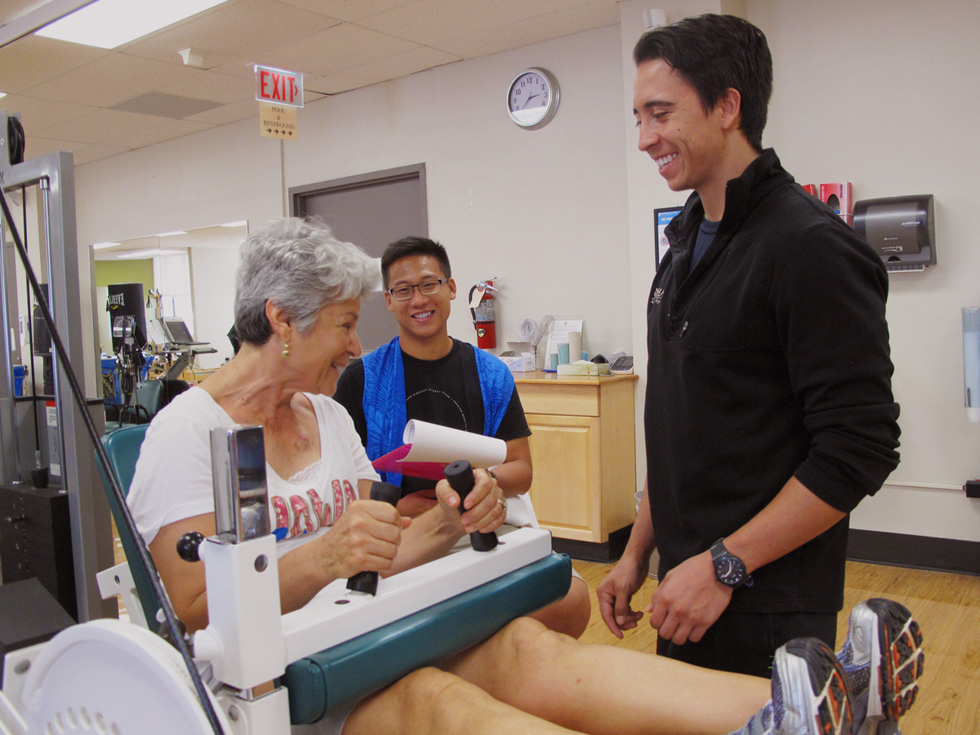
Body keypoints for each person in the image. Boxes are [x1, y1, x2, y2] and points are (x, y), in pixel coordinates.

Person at [126, 217, 921, 735]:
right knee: (443, 704)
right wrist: (323, 557)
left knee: (526, 649)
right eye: (342, 324)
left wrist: (445, 518)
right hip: (281, 692)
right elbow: (190, 609)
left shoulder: (327, 418)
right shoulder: (189, 431)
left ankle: (803, 708)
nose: (350, 344)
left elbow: (372, 552)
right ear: (280, 319)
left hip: (358, 636)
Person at [598, 13, 902, 680]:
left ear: (728, 105)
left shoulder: (809, 246)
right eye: (637, 118)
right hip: (683, 583)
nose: (645, 138)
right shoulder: (683, 244)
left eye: (660, 113)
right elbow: (678, 426)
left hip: (765, 604)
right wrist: (635, 552)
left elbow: (860, 447)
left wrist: (725, 563)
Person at [333, 235, 591, 638]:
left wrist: (476, 485)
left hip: (480, 525)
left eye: (428, 284)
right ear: (388, 300)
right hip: (403, 538)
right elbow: (346, 486)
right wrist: (405, 509)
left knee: (571, 600)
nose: (418, 299)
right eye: (403, 290)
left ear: (451, 288)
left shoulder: (490, 374)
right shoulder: (362, 379)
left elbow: (521, 471)